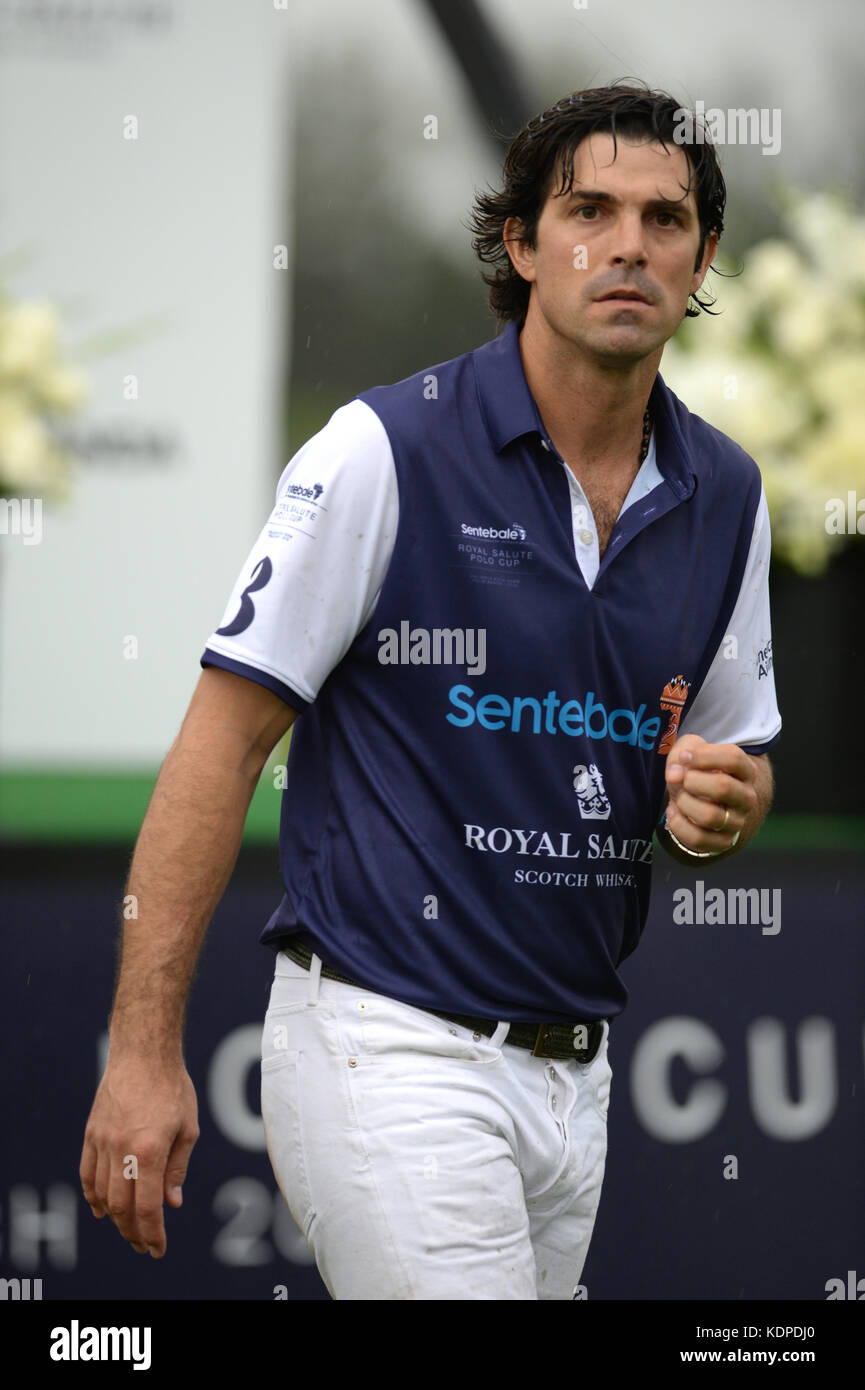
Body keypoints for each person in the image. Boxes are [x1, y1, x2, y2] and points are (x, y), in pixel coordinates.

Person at [80, 80, 781, 1301]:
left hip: (579, 1074)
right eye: (587, 210)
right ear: (519, 242)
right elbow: (219, 749)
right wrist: (140, 1054)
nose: (626, 245)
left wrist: (727, 808)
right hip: (385, 1045)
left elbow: (728, 771)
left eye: (664, 220)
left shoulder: (727, 493)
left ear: (703, 254)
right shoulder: (378, 451)